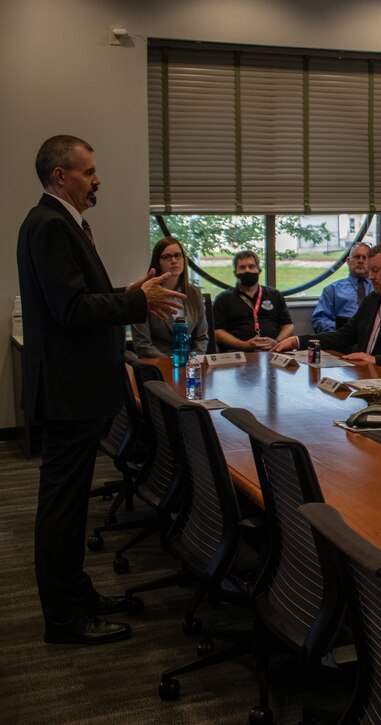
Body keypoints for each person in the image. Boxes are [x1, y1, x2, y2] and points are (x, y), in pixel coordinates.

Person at [17, 135, 184, 645]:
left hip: (76, 390)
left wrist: (132, 295)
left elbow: (84, 297)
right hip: (70, 392)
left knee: (64, 504)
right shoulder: (49, 225)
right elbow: (72, 310)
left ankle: (77, 592)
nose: (97, 180)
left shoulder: (61, 224)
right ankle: (64, 619)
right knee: (63, 508)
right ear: (59, 176)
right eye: (88, 172)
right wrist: (135, 302)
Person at [274, 241, 381, 374]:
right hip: (364, 374)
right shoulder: (374, 298)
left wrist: (375, 360)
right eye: (369, 271)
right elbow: (344, 336)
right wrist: (297, 341)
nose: (371, 277)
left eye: (375, 270)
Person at [131, 237, 209, 358]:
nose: (174, 261)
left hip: (192, 364)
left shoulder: (194, 293)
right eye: (167, 257)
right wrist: (173, 363)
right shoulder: (145, 293)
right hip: (158, 366)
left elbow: (202, 337)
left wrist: (193, 361)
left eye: (178, 255)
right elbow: (142, 345)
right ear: (158, 263)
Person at [212, 251, 294, 352]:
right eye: (242, 267)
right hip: (238, 353)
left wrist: (276, 342)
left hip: (273, 350)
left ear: (259, 271)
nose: (247, 270)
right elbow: (217, 332)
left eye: (251, 266)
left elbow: (288, 325)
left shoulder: (275, 295)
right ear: (235, 273)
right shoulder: (223, 298)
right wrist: (243, 345)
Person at [310, 242, 372, 333]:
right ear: (348, 261)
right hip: (343, 339)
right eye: (356, 257)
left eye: (365, 257)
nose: (361, 261)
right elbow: (318, 320)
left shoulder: (379, 288)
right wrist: (342, 329)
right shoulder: (332, 290)